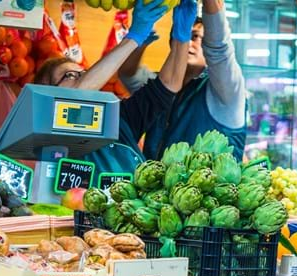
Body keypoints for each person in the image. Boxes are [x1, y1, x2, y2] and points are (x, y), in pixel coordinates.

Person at [33, 0, 196, 174]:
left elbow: (168, 85)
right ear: (46, 90)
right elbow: (76, 97)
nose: (84, 78)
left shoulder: (117, 119)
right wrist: (134, 37)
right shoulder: (47, 125)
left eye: (84, 73)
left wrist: (182, 37)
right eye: (70, 75)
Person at [119, 0, 245, 160]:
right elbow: (128, 75)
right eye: (188, 35)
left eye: (200, 38)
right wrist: (139, 42)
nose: (192, 43)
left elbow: (219, 50)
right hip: (153, 183)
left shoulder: (225, 92)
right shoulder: (161, 85)